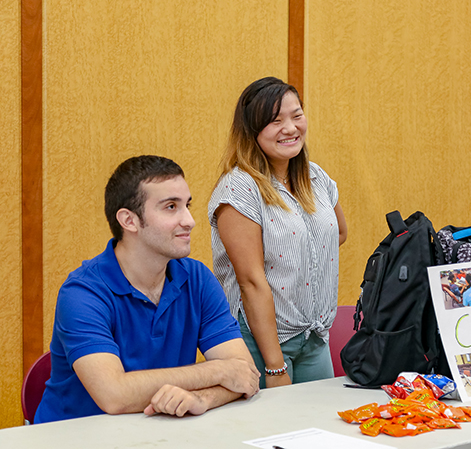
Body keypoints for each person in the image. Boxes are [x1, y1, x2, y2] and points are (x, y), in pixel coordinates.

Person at [34, 156, 260, 423]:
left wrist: (202, 399)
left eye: (186, 205)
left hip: (158, 433)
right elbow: (115, 396)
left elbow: (246, 375)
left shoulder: (197, 278)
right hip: (75, 438)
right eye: (171, 207)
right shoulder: (82, 293)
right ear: (129, 221)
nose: (189, 220)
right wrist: (218, 372)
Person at [209, 77, 348, 389]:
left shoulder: (316, 176)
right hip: (261, 342)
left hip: (313, 336)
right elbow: (251, 282)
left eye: (296, 115)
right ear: (252, 131)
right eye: (275, 121)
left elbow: (338, 232)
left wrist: (299, 261)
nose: (290, 128)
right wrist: (274, 367)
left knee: (319, 434)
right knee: (266, 436)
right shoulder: (239, 188)